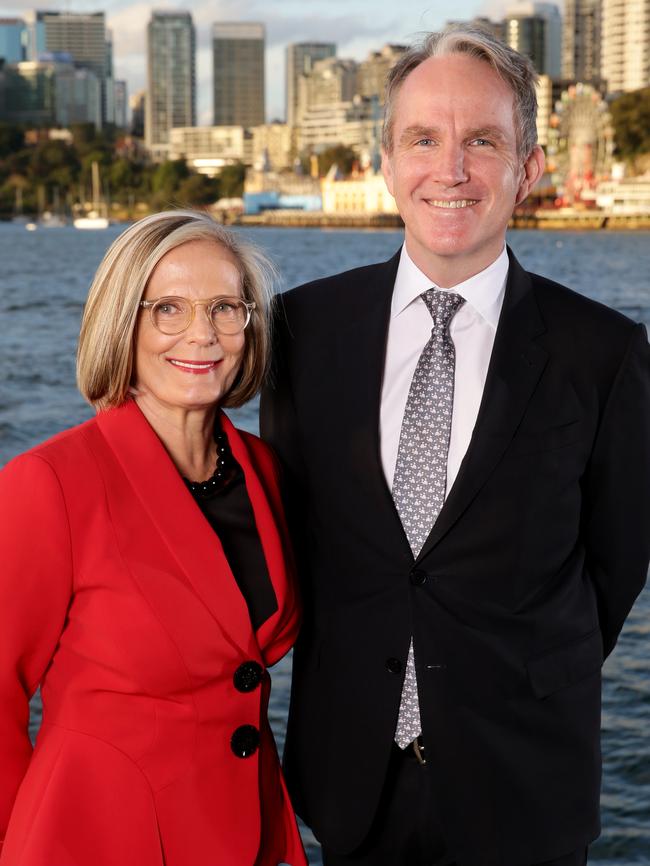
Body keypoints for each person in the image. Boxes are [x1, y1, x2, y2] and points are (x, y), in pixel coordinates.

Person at [260, 24, 650, 866]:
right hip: (351, 778)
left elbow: (615, 568)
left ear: (529, 167)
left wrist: (513, 669)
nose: (451, 170)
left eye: (482, 141)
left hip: (525, 778)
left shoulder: (604, 353)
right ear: (387, 161)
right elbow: (297, 531)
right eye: (423, 140)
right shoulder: (303, 331)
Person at [0, 210, 307, 866]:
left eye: (226, 307)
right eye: (167, 308)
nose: (202, 335)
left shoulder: (265, 471)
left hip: (245, 838)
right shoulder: (50, 484)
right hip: (94, 841)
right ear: (123, 324)